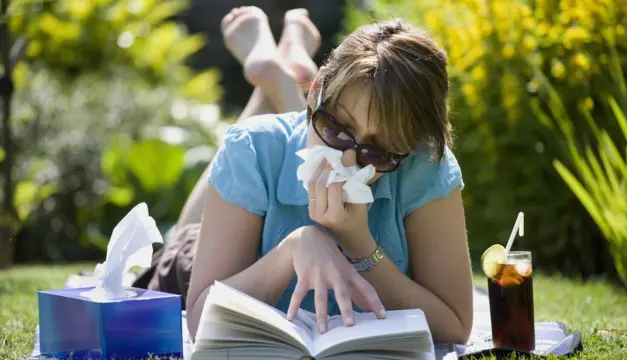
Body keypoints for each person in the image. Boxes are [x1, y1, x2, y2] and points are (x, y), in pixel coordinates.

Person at [135, 6, 473, 344]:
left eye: (378, 151)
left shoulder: (423, 165)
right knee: (185, 234)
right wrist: (291, 250)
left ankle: (281, 79)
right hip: (197, 259)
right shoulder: (252, 149)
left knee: (295, 139)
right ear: (315, 92)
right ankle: (277, 80)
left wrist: (359, 243)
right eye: (337, 129)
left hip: (297, 136)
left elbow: (456, 326)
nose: (348, 160)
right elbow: (198, 321)